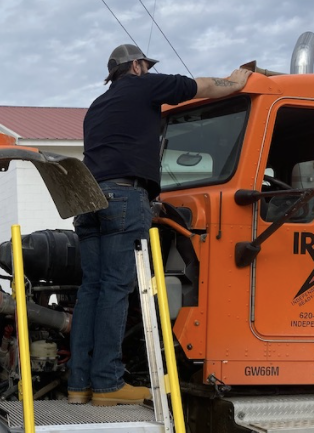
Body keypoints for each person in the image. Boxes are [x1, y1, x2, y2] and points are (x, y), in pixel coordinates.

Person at [69, 44, 252, 406]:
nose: (149, 71)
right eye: (146, 66)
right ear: (136, 66)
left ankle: (79, 385)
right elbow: (201, 87)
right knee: (116, 289)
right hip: (123, 197)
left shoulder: (97, 107)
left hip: (87, 200)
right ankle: (108, 384)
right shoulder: (143, 87)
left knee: (91, 289)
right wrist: (233, 82)